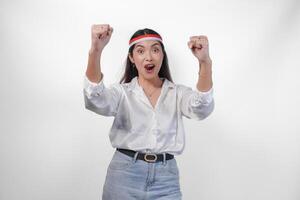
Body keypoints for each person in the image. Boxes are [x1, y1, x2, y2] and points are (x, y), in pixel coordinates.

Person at [83, 24, 214, 200]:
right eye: (140, 51)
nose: (149, 57)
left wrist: (204, 61)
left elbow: (202, 107)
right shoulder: (122, 93)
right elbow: (94, 97)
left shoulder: (177, 93)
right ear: (131, 57)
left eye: (155, 50)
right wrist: (95, 51)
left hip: (166, 179)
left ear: (162, 55)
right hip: (124, 176)